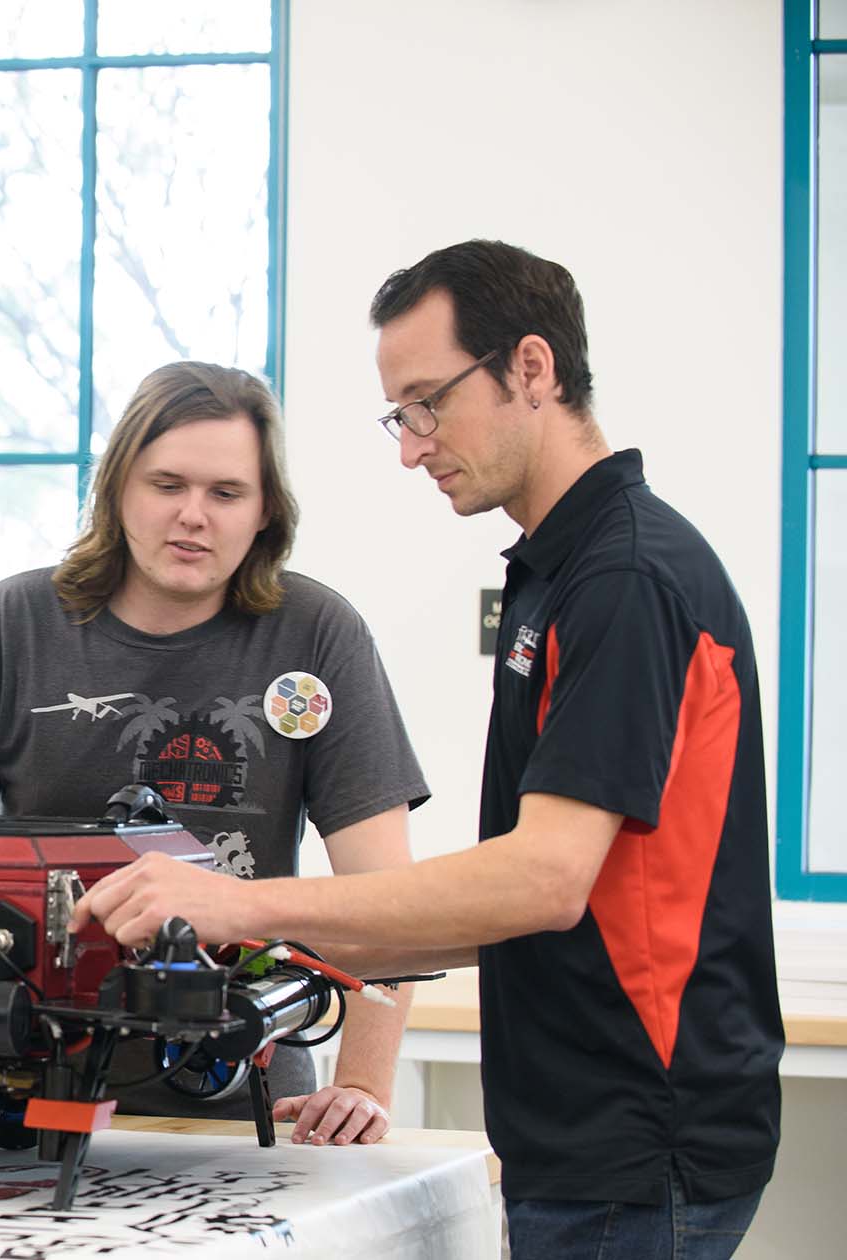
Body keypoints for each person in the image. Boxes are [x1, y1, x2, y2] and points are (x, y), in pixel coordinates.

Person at [73, 242, 782, 1259]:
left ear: (529, 369)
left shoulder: (625, 580)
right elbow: (508, 907)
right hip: (583, 1140)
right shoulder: (557, 574)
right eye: (397, 415)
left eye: (426, 404)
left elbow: (541, 885)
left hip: (638, 1146)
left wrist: (237, 904)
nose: (411, 447)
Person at [0, 361, 428, 1144]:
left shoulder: (317, 633)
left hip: (250, 1101)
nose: (194, 515)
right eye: (167, 485)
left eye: (226, 493)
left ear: (265, 513)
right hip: (29, 1085)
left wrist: (362, 1083)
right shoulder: (13, 623)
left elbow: (386, 895)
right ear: (119, 489)